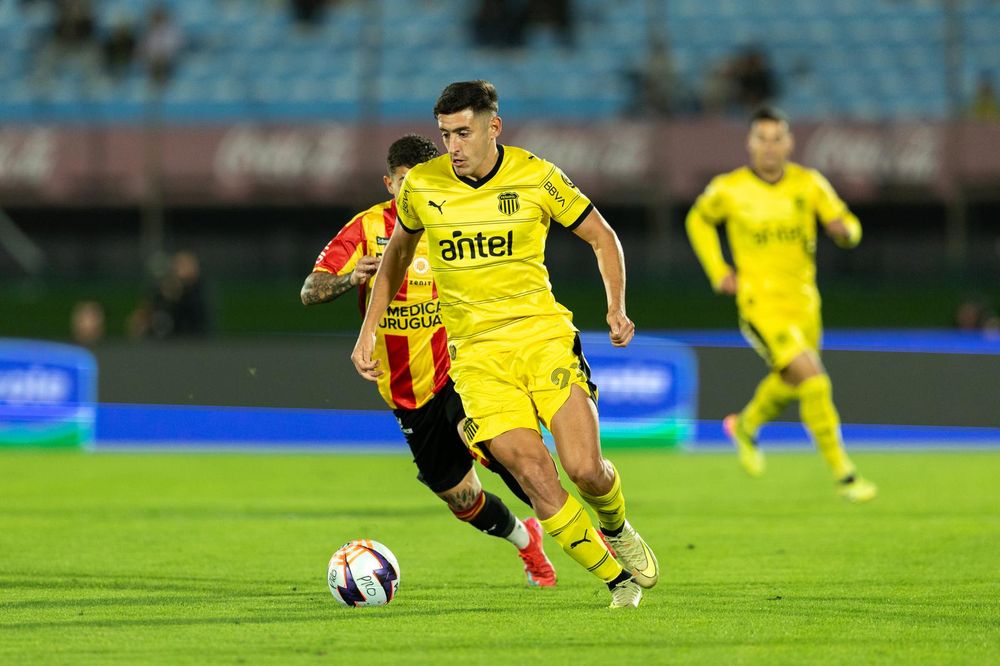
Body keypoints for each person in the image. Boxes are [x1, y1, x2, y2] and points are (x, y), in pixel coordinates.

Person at [351, 81, 658, 609]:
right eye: (445, 134)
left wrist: (616, 306)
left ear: (494, 127)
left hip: (543, 340)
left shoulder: (537, 175)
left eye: (463, 132)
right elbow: (396, 259)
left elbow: (602, 236)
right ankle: (617, 581)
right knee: (534, 474)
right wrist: (368, 332)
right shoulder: (421, 186)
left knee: (585, 469)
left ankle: (616, 524)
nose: (453, 145)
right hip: (476, 359)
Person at [303, 134, 557, 587]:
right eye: (404, 182)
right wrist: (350, 277)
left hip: (460, 372)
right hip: (406, 394)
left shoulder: (458, 220)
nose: (413, 190)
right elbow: (310, 290)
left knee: (503, 452)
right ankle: (526, 539)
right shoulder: (365, 229)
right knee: (462, 499)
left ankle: (583, 530)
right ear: (389, 184)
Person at [685, 106, 877, 503]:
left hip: (805, 303)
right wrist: (718, 269)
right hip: (759, 302)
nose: (769, 147)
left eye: (777, 139)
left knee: (793, 381)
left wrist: (846, 232)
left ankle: (746, 426)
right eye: (762, 138)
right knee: (814, 379)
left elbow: (850, 225)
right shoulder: (729, 188)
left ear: (789, 142)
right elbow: (697, 220)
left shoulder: (809, 184)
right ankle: (844, 473)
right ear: (750, 142)